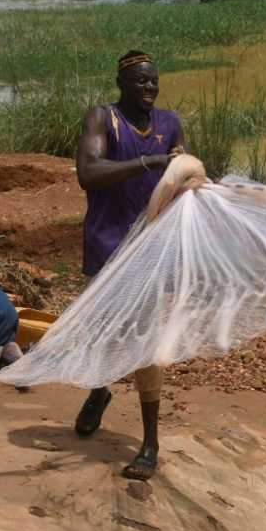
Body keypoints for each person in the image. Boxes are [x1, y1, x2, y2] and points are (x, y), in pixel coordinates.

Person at [73, 50, 185, 480]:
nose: (150, 89)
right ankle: (99, 393)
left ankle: (150, 443)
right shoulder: (103, 119)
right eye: (141, 82)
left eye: (154, 81)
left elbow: (181, 174)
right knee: (101, 332)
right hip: (106, 244)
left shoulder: (169, 123)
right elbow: (88, 171)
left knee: (146, 347)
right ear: (121, 83)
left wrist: (187, 177)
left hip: (151, 250)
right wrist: (145, 163)